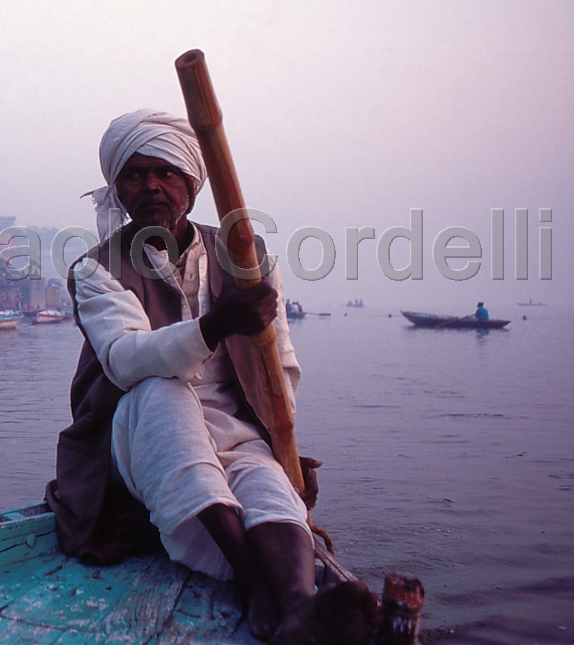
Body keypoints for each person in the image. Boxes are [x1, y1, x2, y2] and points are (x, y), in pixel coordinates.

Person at [44, 109, 380, 644]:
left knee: (266, 481)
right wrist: (216, 324)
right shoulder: (95, 269)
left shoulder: (246, 259)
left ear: (192, 183)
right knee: (162, 389)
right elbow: (127, 359)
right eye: (134, 175)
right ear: (119, 189)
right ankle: (255, 586)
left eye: (165, 172)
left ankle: (297, 606)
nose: (151, 185)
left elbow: (280, 367)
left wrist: (284, 444)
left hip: (232, 427)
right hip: (135, 435)